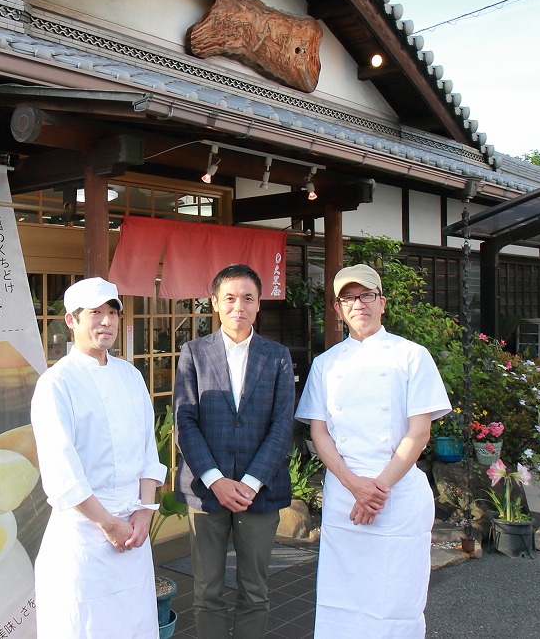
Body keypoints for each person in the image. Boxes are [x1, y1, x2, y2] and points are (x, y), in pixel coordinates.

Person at [296, 263, 451, 637]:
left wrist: (376, 489)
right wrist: (354, 485)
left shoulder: (412, 355)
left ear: (382, 302)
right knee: (342, 596)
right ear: (337, 309)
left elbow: (420, 432)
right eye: (348, 298)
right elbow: (320, 433)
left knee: (396, 598)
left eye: (365, 295)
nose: (357, 304)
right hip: (344, 497)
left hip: (395, 495)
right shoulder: (325, 364)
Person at [30, 277, 167, 638]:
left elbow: (147, 453)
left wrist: (142, 511)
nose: (106, 321)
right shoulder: (56, 383)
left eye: (112, 312)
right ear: (71, 320)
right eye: (95, 313)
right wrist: (108, 523)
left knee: (134, 625)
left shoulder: (131, 376)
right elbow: (62, 473)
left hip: (133, 534)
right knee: (84, 627)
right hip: (84, 534)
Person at [173, 264, 295, 639]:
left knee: (255, 591)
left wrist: (252, 482)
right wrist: (216, 480)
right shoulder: (193, 353)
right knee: (207, 590)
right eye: (229, 298)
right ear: (214, 303)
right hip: (207, 492)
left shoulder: (277, 356)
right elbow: (184, 421)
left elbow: (282, 424)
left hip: (260, 491)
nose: (238, 305)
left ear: (259, 305)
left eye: (247, 298)